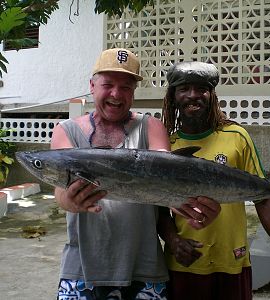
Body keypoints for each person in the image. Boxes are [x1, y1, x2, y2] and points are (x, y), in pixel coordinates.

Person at [51, 48, 220, 300]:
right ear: (92, 85)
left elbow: (165, 174)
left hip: (145, 269)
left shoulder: (150, 126)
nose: (116, 94)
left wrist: (192, 206)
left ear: (134, 91)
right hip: (82, 269)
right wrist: (72, 201)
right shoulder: (66, 130)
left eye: (126, 87)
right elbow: (60, 194)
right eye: (108, 84)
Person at [158, 61, 270, 300]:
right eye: (184, 89)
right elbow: (158, 207)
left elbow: (264, 201)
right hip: (184, 264)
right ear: (172, 96)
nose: (193, 95)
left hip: (234, 262)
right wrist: (173, 240)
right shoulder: (165, 146)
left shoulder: (237, 136)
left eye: (201, 88)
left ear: (211, 95)